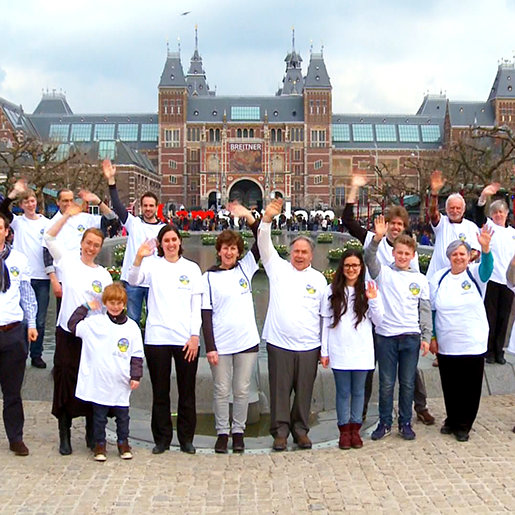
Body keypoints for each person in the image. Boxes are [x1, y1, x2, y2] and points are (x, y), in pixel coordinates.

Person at [342, 174, 435, 426]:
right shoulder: (373, 239)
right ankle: (361, 411)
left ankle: (420, 406)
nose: (395, 227)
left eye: (399, 224)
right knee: (369, 361)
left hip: (400, 319)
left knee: (409, 368)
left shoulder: (408, 252)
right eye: (392, 223)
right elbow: (347, 220)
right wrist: (354, 188)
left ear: (404, 227)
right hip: (373, 312)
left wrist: (424, 329)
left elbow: (418, 293)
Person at [258, 198, 327, 451]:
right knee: (280, 391)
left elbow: (325, 317)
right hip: (280, 344)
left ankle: (300, 430)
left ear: (311, 255)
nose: (299, 255)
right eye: (296, 251)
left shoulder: (319, 280)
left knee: (304, 392)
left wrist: (325, 349)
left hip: (309, 345)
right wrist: (267, 219)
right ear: (290, 253)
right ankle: (280, 432)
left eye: (304, 252)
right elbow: (263, 244)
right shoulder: (277, 268)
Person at [44, 202, 113, 455]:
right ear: (82, 243)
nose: (91, 248)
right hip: (68, 332)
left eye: (96, 245)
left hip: (91, 335)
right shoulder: (67, 261)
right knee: (65, 380)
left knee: (91, 381)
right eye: (88, 243)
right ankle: (64, 433)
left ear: (100, 248)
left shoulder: (103, 274)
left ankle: (91, 432)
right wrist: (66, 216)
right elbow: (49, 237)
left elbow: (108, 306)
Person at [129, 224, 202, 455]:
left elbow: (196, 306)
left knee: (187, 391)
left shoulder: (191, 268)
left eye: (174, 239)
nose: (171, 244)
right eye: (166, 240)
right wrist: (139, 257)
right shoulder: (153, 265)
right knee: (160, 392)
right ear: (161, 244)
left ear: (180, 242)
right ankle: (162, 439)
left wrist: (195, 336)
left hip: (185, 339)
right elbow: (133, 280)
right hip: (157, 337)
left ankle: (186, 438)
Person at [364, 215, 432, 441]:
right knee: (386, 383)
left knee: (408, 383)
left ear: (413, 256)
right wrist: (377, 239)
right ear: (393, 253)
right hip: (386, 336)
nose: (402, 257)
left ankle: (405, 422)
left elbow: (424, 309)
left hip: (410, 337)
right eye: (399, 252)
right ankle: (385, 421)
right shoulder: (384, 273)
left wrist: (426, 337)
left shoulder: (420, 280)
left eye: (407, 254)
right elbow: (369, 258)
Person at [201, 203, 260, 453]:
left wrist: (248, 216)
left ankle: (238, 432)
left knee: (242, 390)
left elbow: (262, 239)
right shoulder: (208, 277)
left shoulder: (246, 269)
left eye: (233, 248)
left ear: (238, 252)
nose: (229, 252)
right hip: (221, 344)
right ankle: (222, 432)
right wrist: (210, 347)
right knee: (221, 390)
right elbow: (205, 315)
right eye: (225, 248)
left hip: (247, 342)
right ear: (219, 251)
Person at [429, 226, 494, 442]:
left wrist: (486, 249)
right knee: (450, 384)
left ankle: (464, 424)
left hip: (472, 341)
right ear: (449, 257)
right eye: (454, 254)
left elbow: (487, 269)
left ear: (468, 256)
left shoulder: (475, 274)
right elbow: (433, 310)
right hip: (447, 341)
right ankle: (452, 418)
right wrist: (434, 337)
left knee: (470, 386)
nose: (458, 258)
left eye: (462, 254)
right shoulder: (439, 277)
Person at [67, 283, 144, 461]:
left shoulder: (132, 327)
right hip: (100, 381)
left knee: (123, 416)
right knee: (99, 417)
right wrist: (85, 307)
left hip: (121, 381)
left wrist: (136, 375)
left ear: (124, 304)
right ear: (105, 303)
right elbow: (73, 325)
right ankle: (99, 445)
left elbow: (137, 354)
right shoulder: (95, 323)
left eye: (119, 303)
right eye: (111, 303)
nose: (115, 307)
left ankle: (123, 443)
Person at [320, 249, 384, 450]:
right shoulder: (331, 290)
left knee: (358, 392)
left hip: (362, 350)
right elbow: (325, 323)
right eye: (347, 265)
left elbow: (379, 321)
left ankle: (355, 429)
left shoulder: (368, 288)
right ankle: (343, 430)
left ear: (361, 268)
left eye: (355, 265)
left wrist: (373, 300)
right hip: (339, 349)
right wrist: (324, 351)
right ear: (342, 267)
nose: (351, 269)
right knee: (342, 392)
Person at [102, 159, 165, 324]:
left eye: (151, 206)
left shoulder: (164, 229)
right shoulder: (133, 223)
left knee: (155, 320)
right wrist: (111, 181)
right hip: (133, 281)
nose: (148, 209)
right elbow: (117, 206)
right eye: (145, 206)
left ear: (156, 207)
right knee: (132, 319)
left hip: (154, 281)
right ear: (141, 207)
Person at [0, 179, 52, 368]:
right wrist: (13, 194)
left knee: (39, 319)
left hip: (41, 277)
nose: (30, 205)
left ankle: (36, 354)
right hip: (20, 276)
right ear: (21, 205)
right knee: (21, 318)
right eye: (26, 202)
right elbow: (3, 210)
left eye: (32, 201)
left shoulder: (47, 223)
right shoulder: (18, 222)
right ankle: (20, 350)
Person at [0, 213, 38, 456]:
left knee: (12, 392)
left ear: (6, 231)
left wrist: (32, 323)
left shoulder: (19, 260)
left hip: (12, 331)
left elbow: (27, 294)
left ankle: (16, 438)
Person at [474, 183, 515, 364]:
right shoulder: (489, 227)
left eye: (501, 212)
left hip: (509, 281)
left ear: (506, 214)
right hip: (492, 278)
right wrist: (484, 196)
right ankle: (488, 351)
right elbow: (478, 214)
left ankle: (500, 351)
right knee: (490, 316)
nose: (499, 215)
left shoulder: (513, 233)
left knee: (504, 317)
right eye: (495, 212)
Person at [426, 170, 481, 279]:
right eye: (451, 208)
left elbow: (476, 251)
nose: (455, 211)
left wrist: (458, 263)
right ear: (446, 209)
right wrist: (434, 194)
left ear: (463, 210)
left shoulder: (471, 227)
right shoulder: (442, 223)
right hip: (437, 277)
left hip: (461, 278)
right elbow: (432, 213)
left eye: (458, 208)